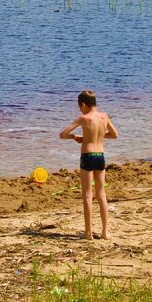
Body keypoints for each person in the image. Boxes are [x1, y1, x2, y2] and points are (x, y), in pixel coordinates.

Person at [59, 91, 118, 240]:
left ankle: (88, 232)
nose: (80, 110)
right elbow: (114, 135)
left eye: (80, 107)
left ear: (83, 105)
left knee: (87, 195)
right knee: (101, 194)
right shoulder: (104, 116)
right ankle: (105, 231)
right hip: (100, 156)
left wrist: (75, 137)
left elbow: (63, 134)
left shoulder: (84, 118)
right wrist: (92, 137)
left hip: (87, 156)